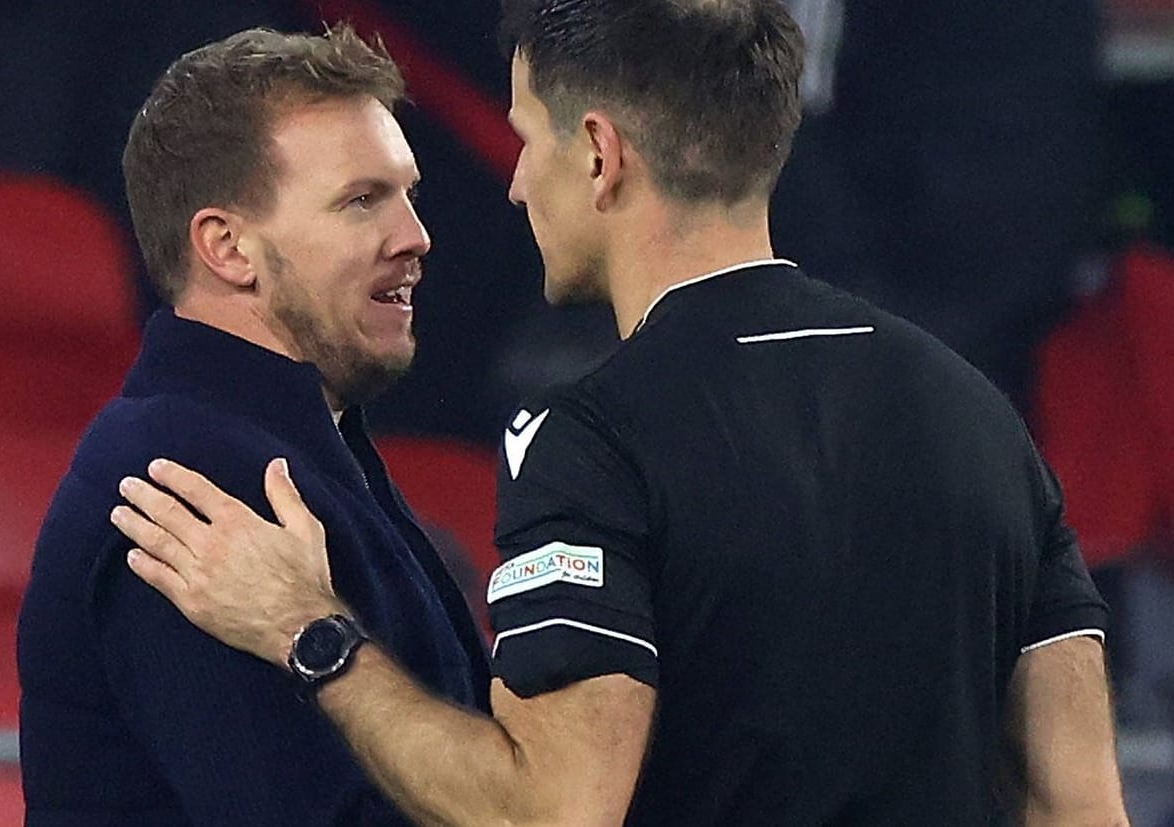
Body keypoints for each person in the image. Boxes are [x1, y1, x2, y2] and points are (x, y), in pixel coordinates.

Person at [109, 1, 1131, 824]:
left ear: (599, 153)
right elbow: (1078, 803)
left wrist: (308, 628)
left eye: (524, 142)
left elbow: (550, 809)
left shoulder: (590, 440)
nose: (511, 185)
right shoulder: (980, 421)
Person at [16, 25, 490, 826]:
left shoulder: (289, 446)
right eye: (362, 200)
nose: (415, 236)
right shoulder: (194, 481)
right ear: (228, 247)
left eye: (408, 193)